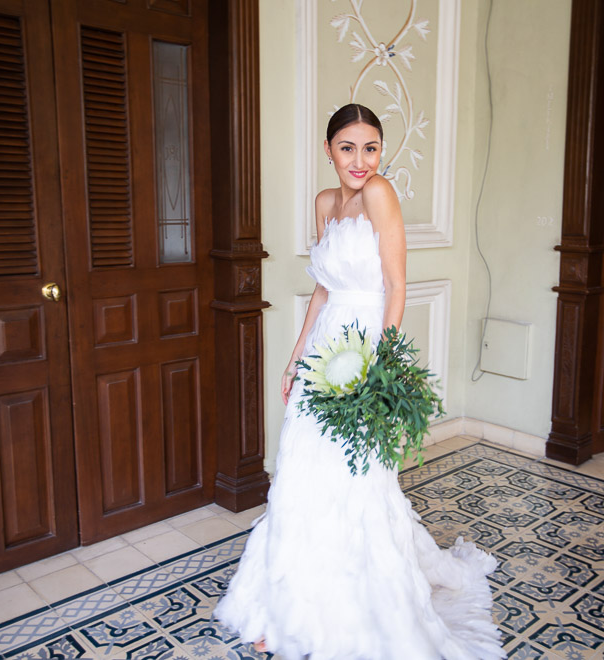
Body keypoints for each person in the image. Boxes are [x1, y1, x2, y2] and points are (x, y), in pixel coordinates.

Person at [214, 103, 504, 660]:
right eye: (348, 147)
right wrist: (296, 357)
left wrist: (382, 369)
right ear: (329, 151)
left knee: (354, 480)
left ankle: (350, 608)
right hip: (326, 346)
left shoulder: (380, 194)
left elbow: (396, 286)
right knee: (300, 474)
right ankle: (285, 607)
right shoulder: (326, 202)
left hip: (368, 344)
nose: (361, 160)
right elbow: (322, 288)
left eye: (371, 147)